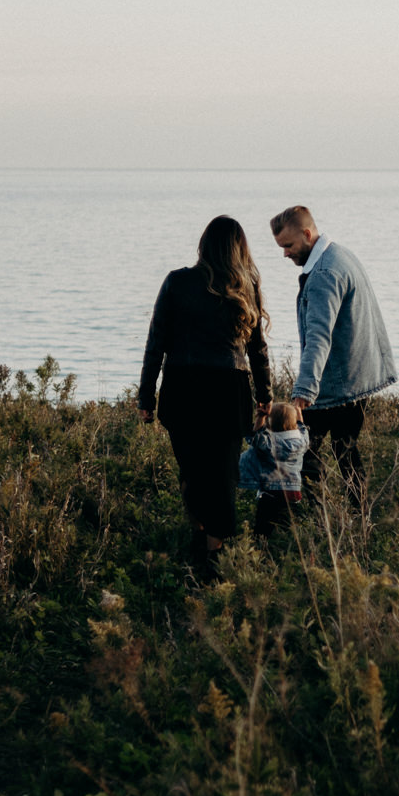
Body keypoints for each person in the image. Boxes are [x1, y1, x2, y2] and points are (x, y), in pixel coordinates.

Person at [139, 216, 271, 579]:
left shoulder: (176, 282)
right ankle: (213, 555)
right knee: (223, 475)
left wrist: (146, 396)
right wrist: (265, 397)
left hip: (184, 388)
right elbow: (258, 350)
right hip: (229, 390)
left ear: (203, 245)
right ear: (239, 249)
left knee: (192, 470)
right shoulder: (247, 286)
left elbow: (156, 343)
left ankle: (202, 540)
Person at [270, 205, 396, 491]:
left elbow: (318, 337)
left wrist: (303, 392)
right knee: (345, 452)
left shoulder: (324, 274)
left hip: (338, 382)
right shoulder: (340, 254)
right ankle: (356, 518)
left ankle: (317, 516)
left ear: (306, 233)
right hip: (357, 374)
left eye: (288, 245)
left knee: (305, 449)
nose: (285, 253)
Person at [238, 400, 309, 538]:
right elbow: (303, 428)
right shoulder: (302, 442)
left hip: (271, 494)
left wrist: (260, 418)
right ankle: (284, 552)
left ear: (270, 424)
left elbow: (255, 437)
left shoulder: (269, 443)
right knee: (286, 530)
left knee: (262, 531)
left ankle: (262, 550)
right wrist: (299, 412)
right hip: (293, 494)